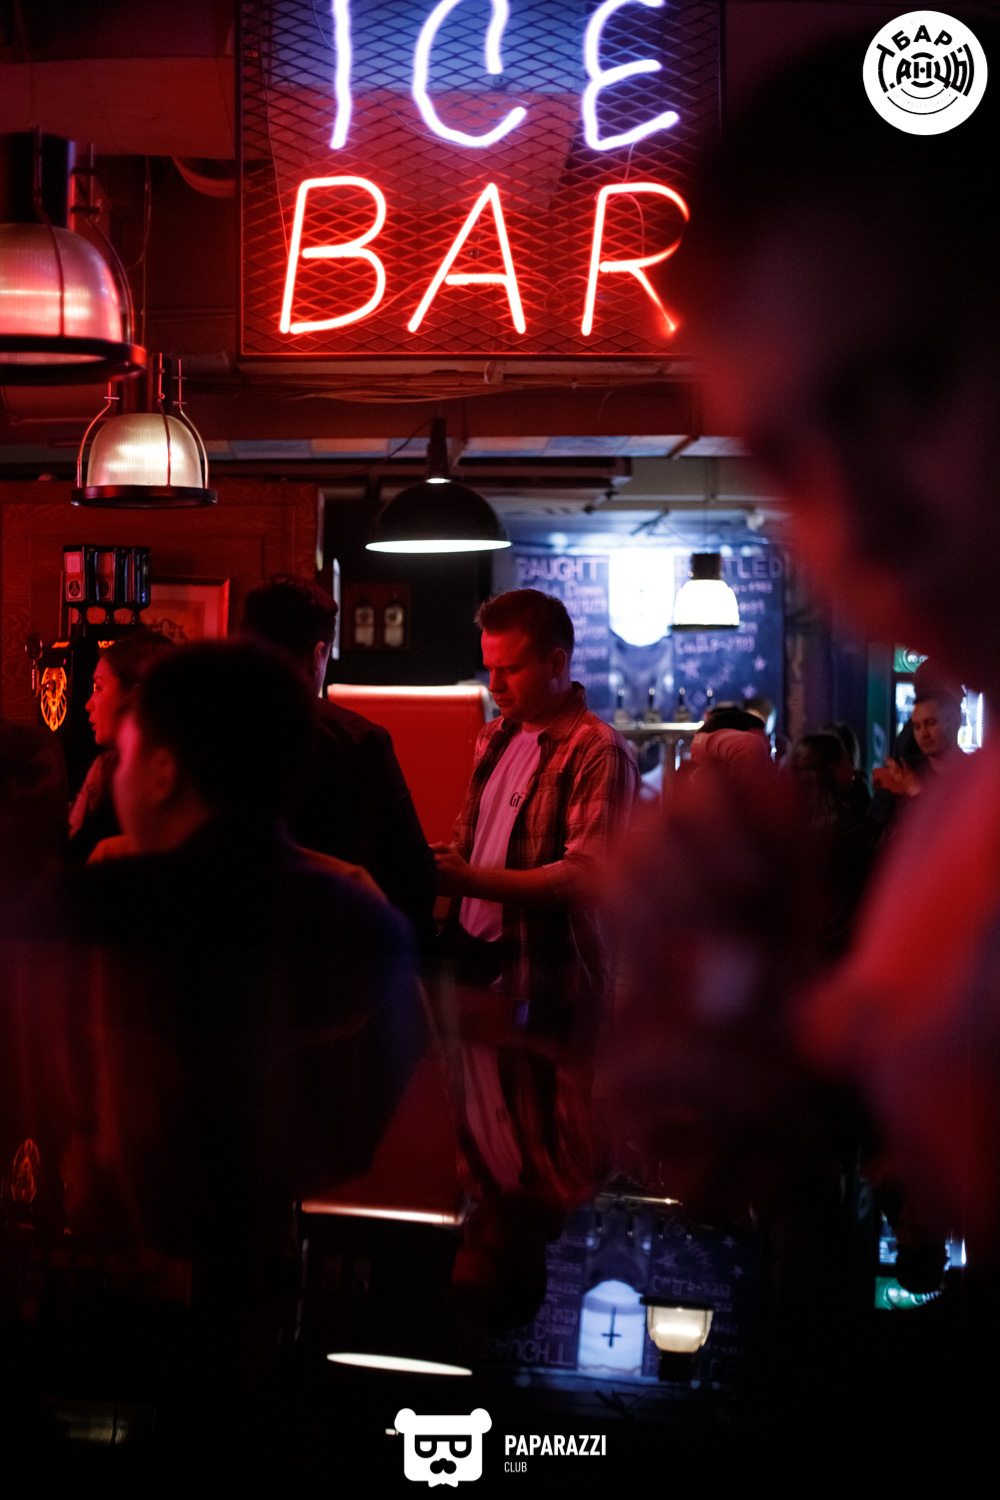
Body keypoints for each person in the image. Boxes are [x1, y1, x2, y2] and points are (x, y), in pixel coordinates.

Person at [2, 641, 421, 1430]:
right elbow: (377, 1123)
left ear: (162, 773)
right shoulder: (368, 926)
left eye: (126, 755)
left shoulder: (78, 915)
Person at [433, 589, 639, 1047]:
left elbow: (584, 878)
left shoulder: (597, 748)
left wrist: (466, 879)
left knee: (538, 1093)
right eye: (490, 668)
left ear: (557, 663)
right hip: (474, 960)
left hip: (550, 981)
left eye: (510, 669)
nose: (494, 685)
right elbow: (471, 837)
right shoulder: (493, 735)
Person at [241, 576, 436, 952]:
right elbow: (411, 868)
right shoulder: (357, 738)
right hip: (321, 947)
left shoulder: (190, 721)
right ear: (317, 655)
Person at [67, 629, 175, 862]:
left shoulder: (114, 770)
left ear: (136, 698)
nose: (88, 704)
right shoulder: (109, 766)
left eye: (98, 688)